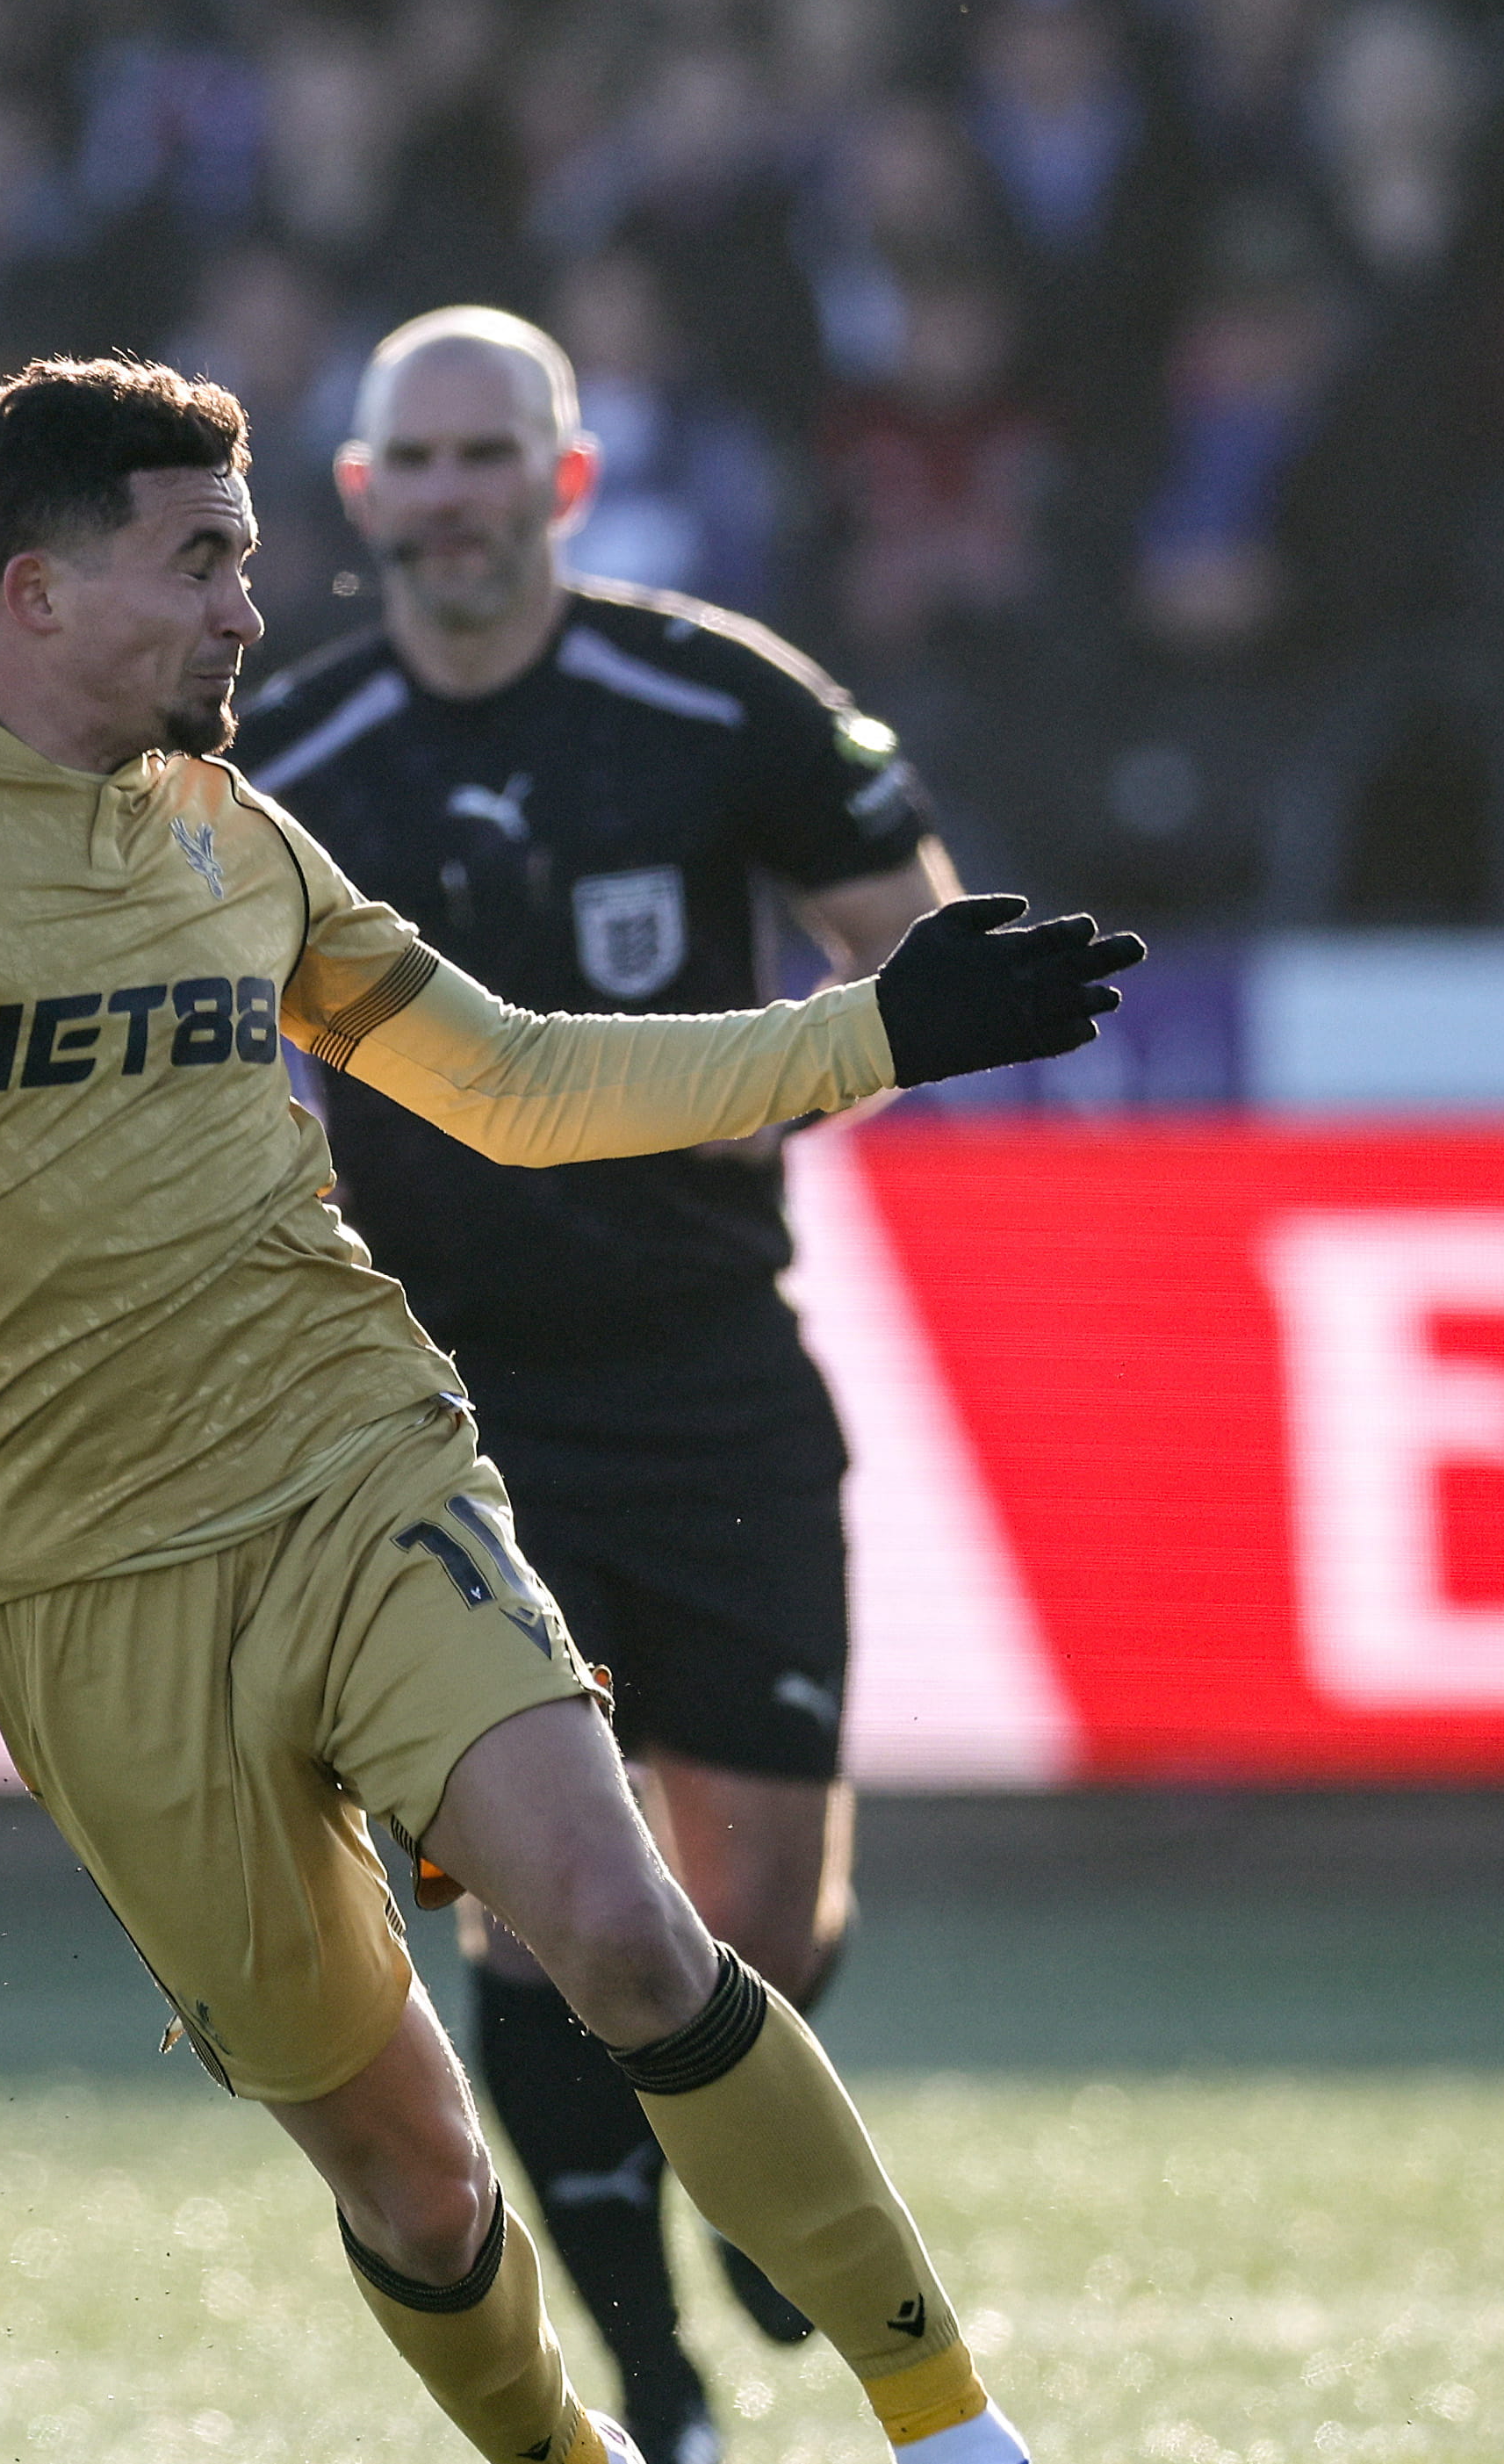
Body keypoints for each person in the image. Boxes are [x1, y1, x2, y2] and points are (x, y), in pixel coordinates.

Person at [0, 355, 1133, 2464]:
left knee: (624, 1931)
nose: (254, 609)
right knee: (411, 2181)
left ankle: (952, 2428)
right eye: (208, 563)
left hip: (358, 1459)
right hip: (78, 1583)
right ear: (41, 590)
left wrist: (867, 1032)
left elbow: (509, 1077)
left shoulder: (232, 826)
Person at [241, 309, 966, 2463]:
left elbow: (907, 936)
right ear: (361, 502)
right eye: (415, 465)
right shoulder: (283, 750)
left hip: (709, 1370)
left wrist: (778, 1094)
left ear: (561, 483)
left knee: (763, 1909)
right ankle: (650, 2383)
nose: (453, 497)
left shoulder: (715, 696)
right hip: (434, 1410)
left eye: (492, 457)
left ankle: (744, 2152)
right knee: (555, 1906)